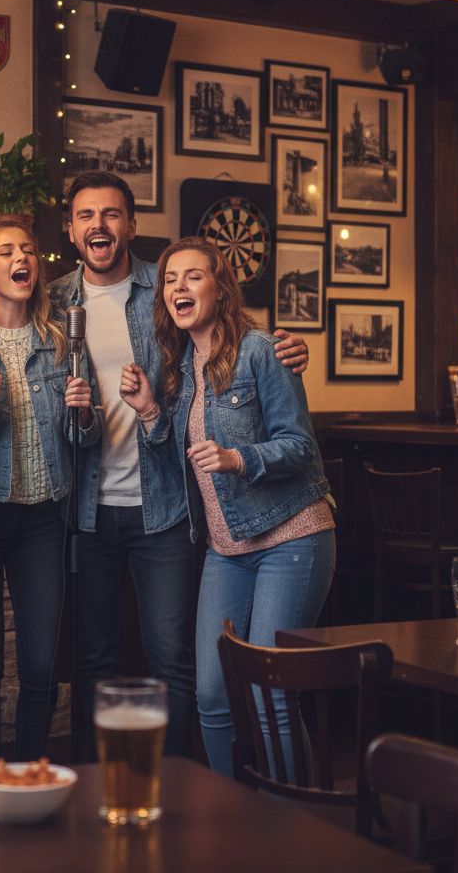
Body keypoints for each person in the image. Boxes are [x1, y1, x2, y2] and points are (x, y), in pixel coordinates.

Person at [49, 171, 309, 759]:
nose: (99, 225)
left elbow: (227, 347)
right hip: (87, 509)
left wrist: (283, 350)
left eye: (111, 214)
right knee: (93, 658)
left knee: (171, 655)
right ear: (71, 230)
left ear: (131, 226)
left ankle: (180, 788)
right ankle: (99, 786)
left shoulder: (162, 290)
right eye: (86, 215)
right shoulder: (54, 301)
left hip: (164, 504)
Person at [120, 236, 335, 778]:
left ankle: (294, 827)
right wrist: (149, 412)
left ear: (220, 288)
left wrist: (239, 458)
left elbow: (301, 446)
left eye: (193, 276)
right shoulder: (179, 369)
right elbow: (180, 465)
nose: (178, 287)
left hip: (293, 536)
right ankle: (226, 811)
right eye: (170, 279)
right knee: (212, 694)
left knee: (268, 692)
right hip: (227, 548)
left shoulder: (262, 350)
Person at [0, 220, 99, 762]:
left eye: (29, 251)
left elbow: (85, 435)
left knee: (40, 666)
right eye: (7, 251)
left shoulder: (61, 340)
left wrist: (83, 416)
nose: (23, 259)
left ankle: (31, 771)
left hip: (43, 517)